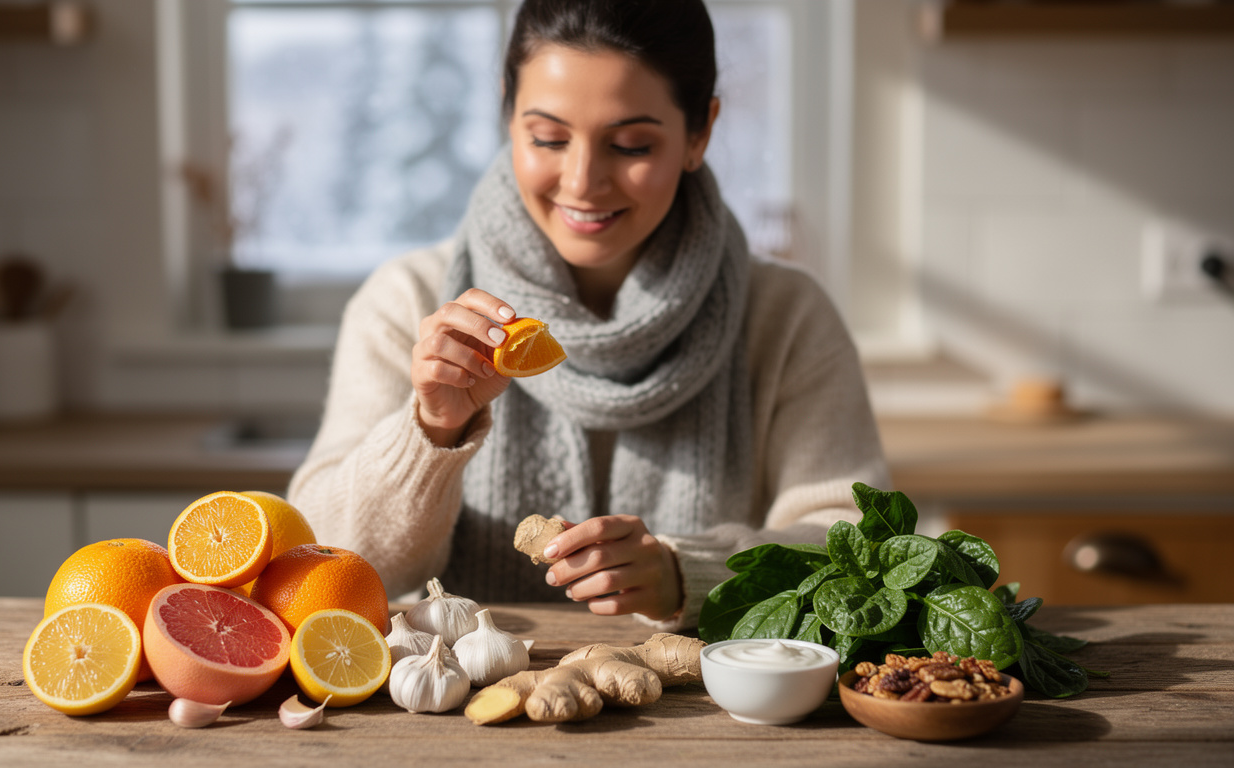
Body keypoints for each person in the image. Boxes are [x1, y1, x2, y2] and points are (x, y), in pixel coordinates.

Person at [289, 0, 889, 631]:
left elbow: (856, 547)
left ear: (700, 133)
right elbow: (321, 568)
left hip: (705, 717)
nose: (582, 180)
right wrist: (431, 430)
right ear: (507, 112)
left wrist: (691, 573)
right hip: (460, 714)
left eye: (630, 144)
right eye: (547, 137)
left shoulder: (786, 316)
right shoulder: (407, 301)